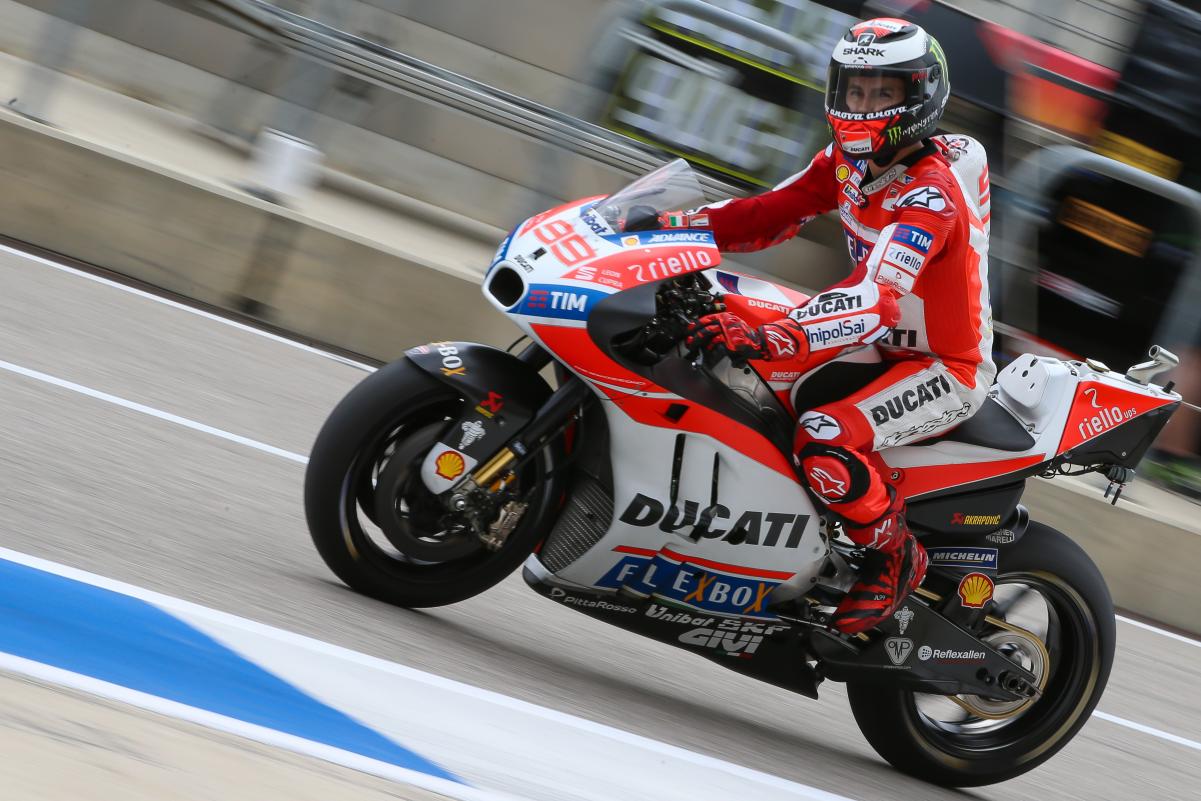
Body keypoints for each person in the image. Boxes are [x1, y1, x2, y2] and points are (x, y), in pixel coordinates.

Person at [672, 18, 995, 634]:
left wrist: (781, 335)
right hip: (875, 343)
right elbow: (764, 213)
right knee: (720, 324)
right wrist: (669, 228)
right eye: (855, 91)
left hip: (942, 367)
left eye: (884, 93)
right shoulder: (848, 163)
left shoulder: (930, 196)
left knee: (822, 434)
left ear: (919, 95)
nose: (864, 106)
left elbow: (876, 297)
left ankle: (894, 555)